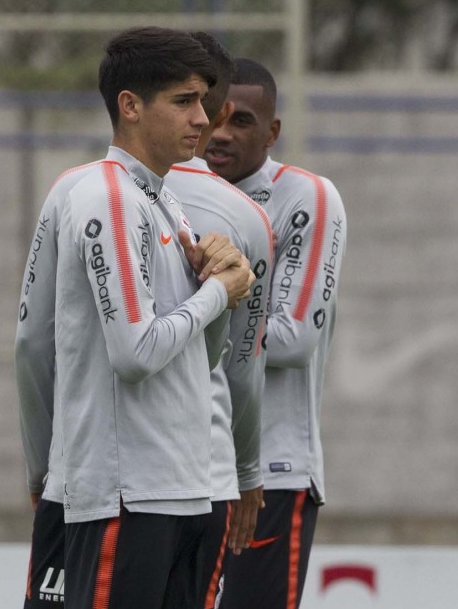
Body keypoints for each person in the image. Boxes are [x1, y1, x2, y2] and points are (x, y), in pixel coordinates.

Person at [17, 26, 255, 609]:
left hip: (185, 492)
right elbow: (135, 354)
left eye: (202, 100)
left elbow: (204, 356)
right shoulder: (107, 196)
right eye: (184, 101)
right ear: (130, 106)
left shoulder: (163, 197)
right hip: (123, 498)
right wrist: (216, 294)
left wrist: (217, 286)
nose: (204, 118)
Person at [203, 58, 348, 609]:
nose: (221, 132)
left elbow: (292, 339)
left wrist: (195, 313)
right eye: (214, 116)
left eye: (241, 121)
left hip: (272, 472)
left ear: (273, 131)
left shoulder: (307, 197)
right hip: (184, 471)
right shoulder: (173, 195)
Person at [164, 33, 274, 609]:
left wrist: (45, 465)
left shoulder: (78, 187)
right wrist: (248, 470)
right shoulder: (246, 217)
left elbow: (38, 344)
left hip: (91, 479)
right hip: (201, 479)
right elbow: (241, 364)